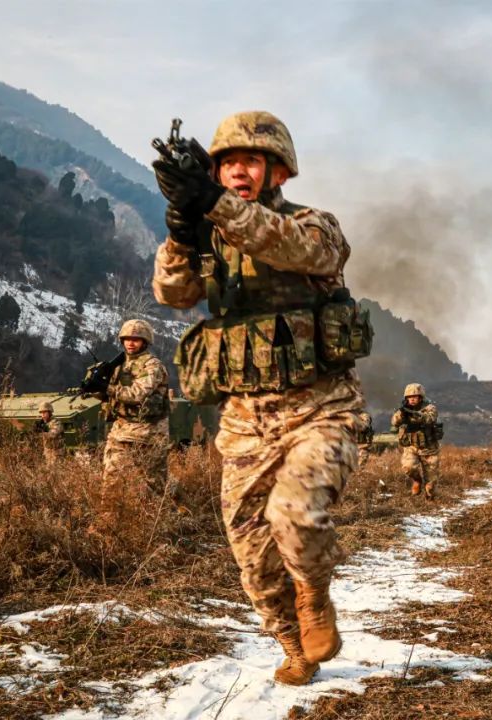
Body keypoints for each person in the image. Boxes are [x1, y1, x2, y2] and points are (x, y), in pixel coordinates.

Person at [152, 111, 366, 686]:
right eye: (224, 163)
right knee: (251, 552)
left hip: (322, 410)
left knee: (292, 512)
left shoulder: (316, 225)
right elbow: (173, 295)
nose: (236, 171)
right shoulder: (209, 237)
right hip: (245, 419)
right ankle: (293, 644)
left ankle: (315, 594)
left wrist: (214, 204)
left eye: (249, 160)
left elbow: (291, 249)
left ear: (279, 171)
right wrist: (180, 228)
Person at [101, 319, 171, 498]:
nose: (130, 343)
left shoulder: (153, 365)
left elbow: (137, 393)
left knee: (154, 483)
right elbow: (109, 395)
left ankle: (178, 511)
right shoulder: (117, 365)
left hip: (150, 431)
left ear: (145, 342)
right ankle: (107, 521)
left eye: (136, 339)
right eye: (127, 339)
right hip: (121, 428)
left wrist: (108, 389)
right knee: (111, 477)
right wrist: (95, 389)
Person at [391, 383, 441, 499]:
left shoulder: (430, 408)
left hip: (429, 448)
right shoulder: (403, 409)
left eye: (415, 396)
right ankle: (417, 480)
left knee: (431, 486)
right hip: (411, 446)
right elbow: (394, 422)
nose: (412, 399)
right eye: (409, 397)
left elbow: (430, 419)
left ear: (420, 397)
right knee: (408, 467)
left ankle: (430, 504)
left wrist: (415, 415)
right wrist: (402, 414)